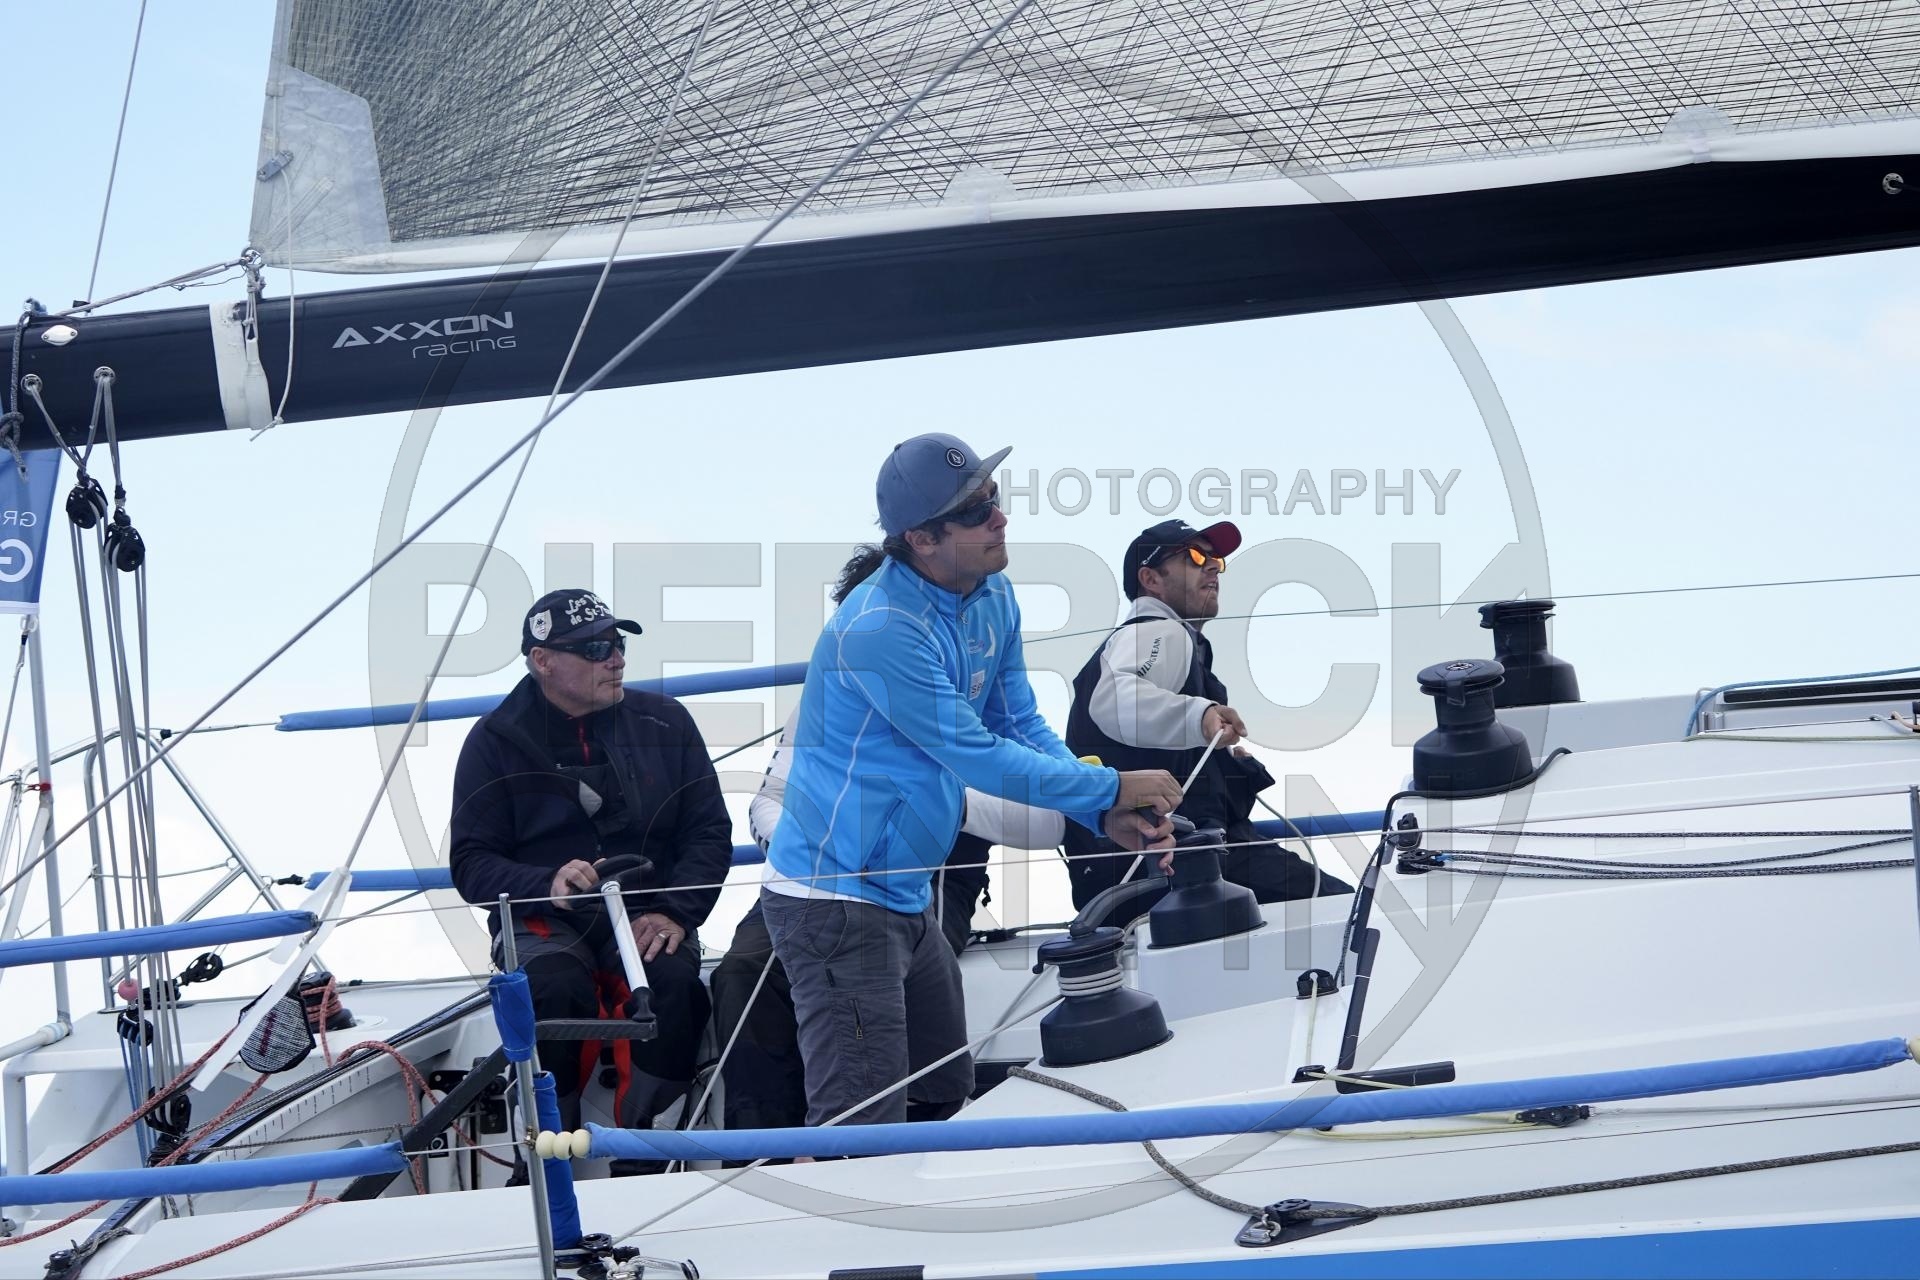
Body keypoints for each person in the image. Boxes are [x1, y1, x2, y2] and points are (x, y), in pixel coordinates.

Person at [761, 433, 1181, 1128]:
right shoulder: (879, 627)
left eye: (994, 497)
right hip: (833, 899)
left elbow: (1018, 721)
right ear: (922, 539)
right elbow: (977, 756)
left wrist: (1095, 805)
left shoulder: (993, 594)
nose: (999, 517)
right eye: (975, 510)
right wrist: (1110, 790)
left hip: (903, 890)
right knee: (860, 1121)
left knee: (942, 1089)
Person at [710, 546, 1065, 1134]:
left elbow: (1045, 822)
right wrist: (815, 849)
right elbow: (768, 800)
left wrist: (935, 805)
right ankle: (767, 1147)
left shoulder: (972, 706)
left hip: (927, 884)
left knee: (921, 1043)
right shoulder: (829, 696)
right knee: (743, 971)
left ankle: (894, 1135)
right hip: (813, 876)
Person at [449, 589, 734, 1144]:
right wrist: (546, 883)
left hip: (650, 909)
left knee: (674, 987)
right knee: (550, 992)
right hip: (544, 918)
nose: (616, 659)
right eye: (596, 649)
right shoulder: (491, 742)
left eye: (618, 643)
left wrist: (677, 912)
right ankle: (548, 1146)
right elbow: (471, 862)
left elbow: (708, 831)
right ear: (542, 660)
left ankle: (648, 1146)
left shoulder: (667, 722)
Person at [1064, 519, 1352, 908]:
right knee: (1345, 907)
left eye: (1216, 559)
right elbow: (1112, 701)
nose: (1213, 566)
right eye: (1195, 557)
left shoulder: (1164, 641)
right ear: (1151, 579)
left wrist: (1226, 764)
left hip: (1142, 873)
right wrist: (1199, 717)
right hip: (1178, 865)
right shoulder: (1159, 631)